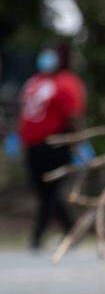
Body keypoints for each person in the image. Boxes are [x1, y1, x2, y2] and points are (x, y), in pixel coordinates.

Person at [17, 46, 86, 251]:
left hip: (55, 145)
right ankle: (72, 231)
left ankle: (39, 237)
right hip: (32, 146)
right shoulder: (33, 83)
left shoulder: (65, 83)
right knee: (44, 193)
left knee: (52, 192)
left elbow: (73, 116)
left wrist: (80, 142)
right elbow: (24, 113)